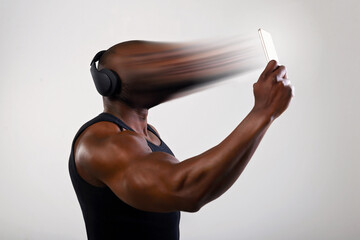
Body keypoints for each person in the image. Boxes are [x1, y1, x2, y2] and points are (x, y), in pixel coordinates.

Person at [69, 40, 293, 240]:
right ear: (108, 83)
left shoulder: (149, 134)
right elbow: (186, 190)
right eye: (146, 63)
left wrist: (265, 116)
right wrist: (262, 113)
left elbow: (202, 183)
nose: (163, 69)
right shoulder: (103, 143)